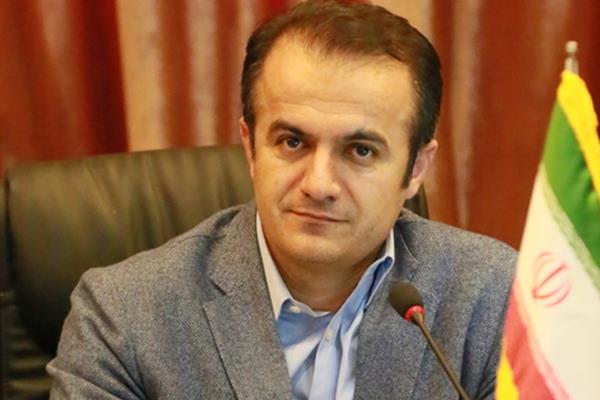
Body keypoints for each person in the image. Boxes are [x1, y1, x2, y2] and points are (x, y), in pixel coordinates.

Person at [47, 1, 516, 399]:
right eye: (293, 142)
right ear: (251, 148)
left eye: (360, 151)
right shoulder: (124, 317)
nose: (319, 184)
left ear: (415, 169)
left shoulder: (497, 301)